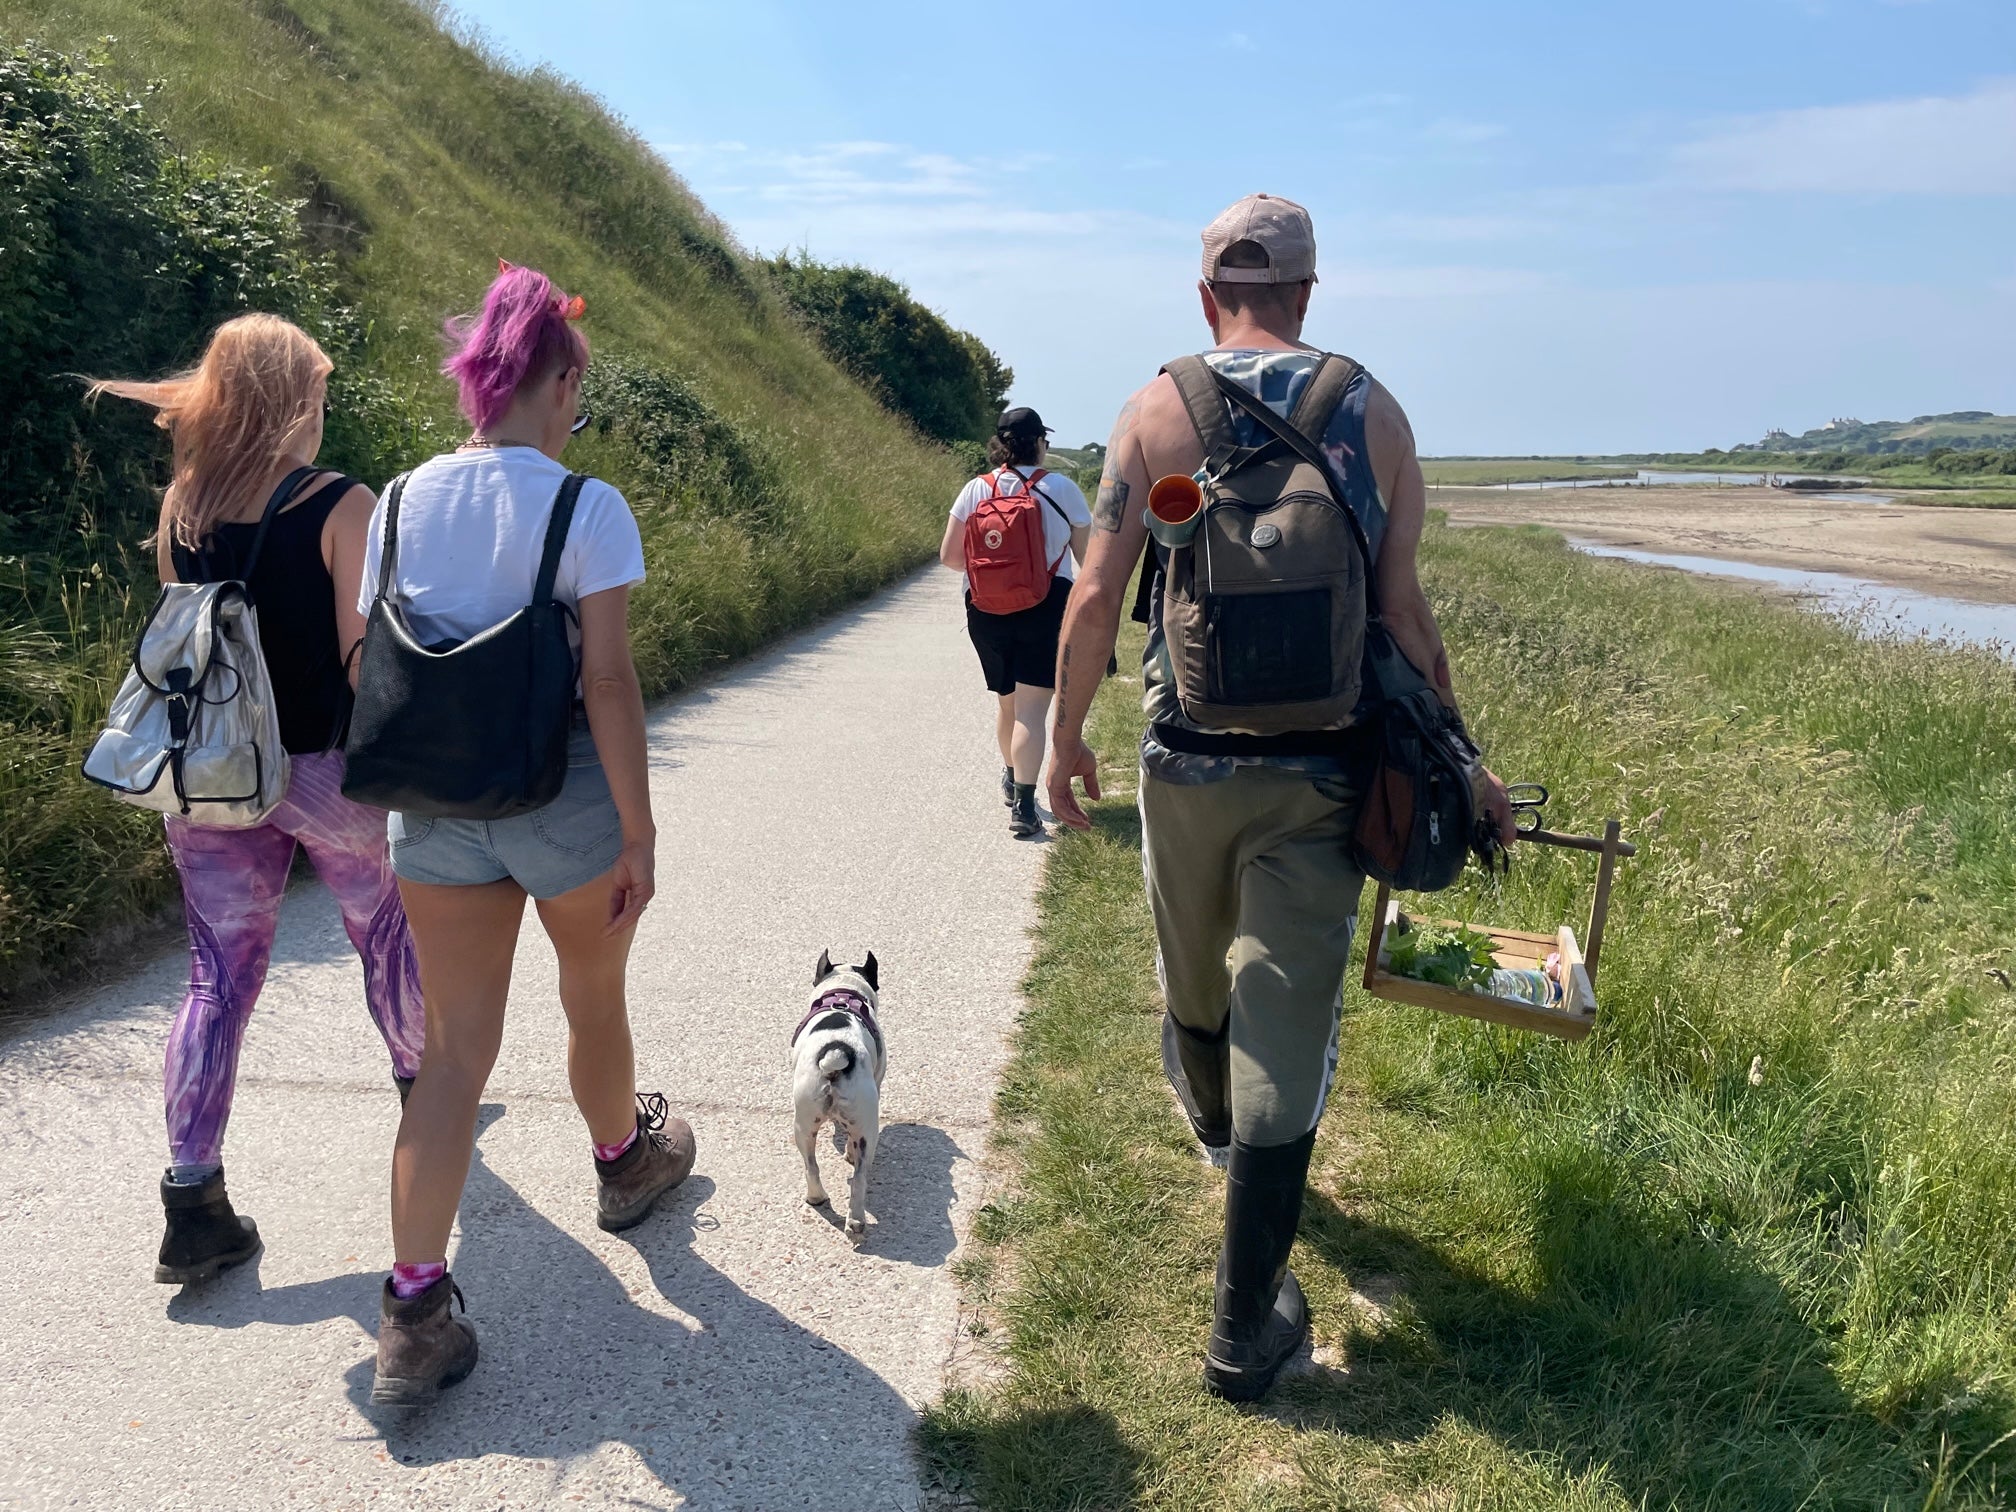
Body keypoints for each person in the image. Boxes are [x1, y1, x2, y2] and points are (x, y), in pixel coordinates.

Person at [1045, 194, 1517, 1401]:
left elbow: (1097, 597)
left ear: (1208, 296)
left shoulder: (1156, 408)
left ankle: (1213, 1134)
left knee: (1195, 988)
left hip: (1182, 762)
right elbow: (1405, 617)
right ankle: (1239, 1326)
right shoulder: (1375, 409)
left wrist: (1060, 741)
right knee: (1285, 1016)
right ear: (1308, 294)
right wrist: (1463, 756)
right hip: (1324, 770)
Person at [358, 265, 694, 1405]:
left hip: (434, 808)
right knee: (591, 998)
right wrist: (638, 832)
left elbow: (375, 663)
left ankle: (412, 1311)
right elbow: (607, 680)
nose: (574, 416)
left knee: (452, 1052)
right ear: (556, 380)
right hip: (561, 803)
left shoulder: (398, 501)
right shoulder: (582, 505)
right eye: (577, 394)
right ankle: (623, 1163)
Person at [88, 314, 427, 1285]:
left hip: (212, 779)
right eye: (316, 393)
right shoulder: (340, 503)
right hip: (324, 767)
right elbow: (365, 658)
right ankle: (424, 1099)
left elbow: (190, 647)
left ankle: (192, 1204)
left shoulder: (182, 507)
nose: (322, 409)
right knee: (387, 931)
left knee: (216, 979)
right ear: (291, 402)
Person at [939, 406, 1091, 837]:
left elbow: (950, 557)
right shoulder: (1062, 489)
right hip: (1046, 607)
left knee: (1007, 702)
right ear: (1040, 443)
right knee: (1032, 709)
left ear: (999, 445)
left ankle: (1010, 775)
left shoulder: (975, 489)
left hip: (985, 609)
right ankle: (1024, 805)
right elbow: (1087, 561)